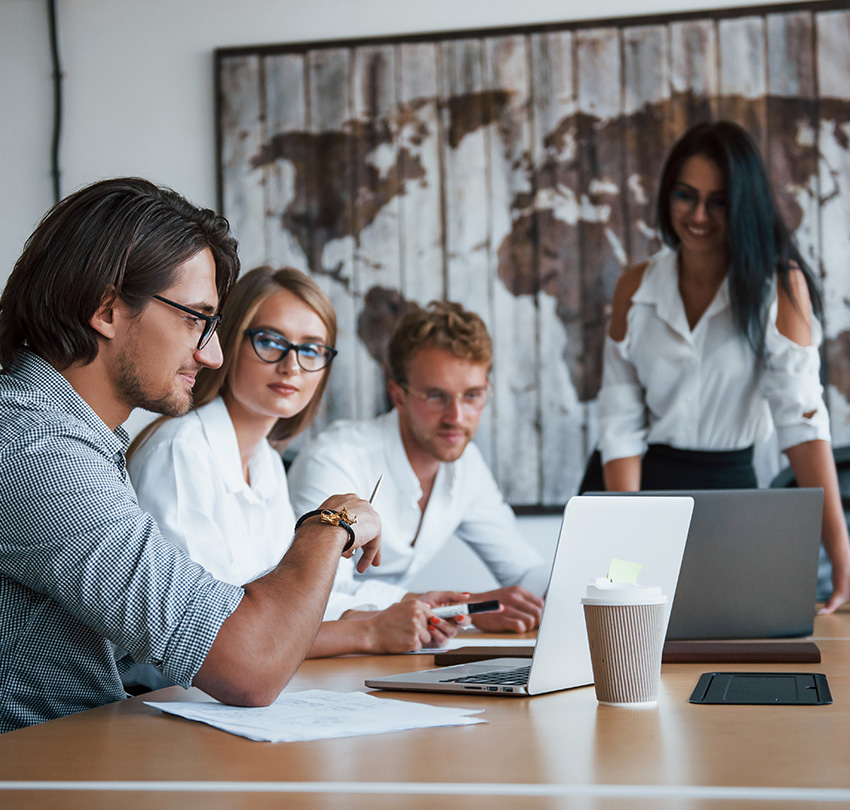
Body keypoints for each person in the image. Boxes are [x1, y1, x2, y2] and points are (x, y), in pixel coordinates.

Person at [0, 178, 381, 733]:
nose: (213, 353)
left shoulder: (64, 436)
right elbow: (251, 664)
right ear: (106, 309)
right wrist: (335, 521)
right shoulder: (36, 448)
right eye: (194, 318)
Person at [127, 266, 462, 668]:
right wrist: (370, 632)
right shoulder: (181, 451)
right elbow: (219, 637)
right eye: (270, 341)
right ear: (230, 340)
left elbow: (297, 603)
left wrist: (408, 605)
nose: (292, 367)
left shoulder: (265, 461)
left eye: (311, 349)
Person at [596, 120, 850, 613]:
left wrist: (840, 549)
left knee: (735, 635)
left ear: (744, 206)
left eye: (719, 201)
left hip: (732, 495)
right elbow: (620, 425)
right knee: (634, 646)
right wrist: (624, 535)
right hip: (641, 489)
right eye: (685, 196)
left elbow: (801, 423)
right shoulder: (636, 286)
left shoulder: (779, 286)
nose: (698, 215)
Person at [289, 300, 547, 633]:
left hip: (399, 648)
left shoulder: (465, 465)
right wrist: (462, 608)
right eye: (437, 396)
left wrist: (581, 589)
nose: (457, 418)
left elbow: (523, 570)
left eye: (472, 396)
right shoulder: (336, 461)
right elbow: (321, 596)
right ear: (398, 396)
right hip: (319, 655)